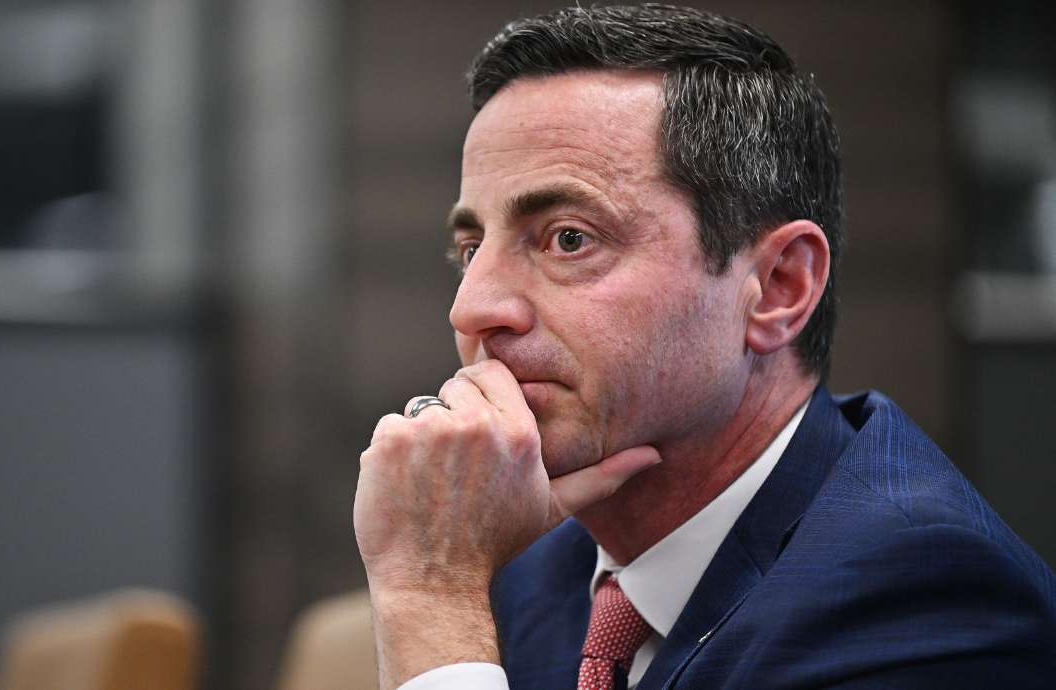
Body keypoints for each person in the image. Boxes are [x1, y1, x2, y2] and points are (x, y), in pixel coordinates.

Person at [352, 4, 1056, 689]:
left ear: (779, 287)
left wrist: (432, 597)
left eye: (569, 238)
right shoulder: (528, 561)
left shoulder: (926, 597)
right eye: (471, 249)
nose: (471, 308)